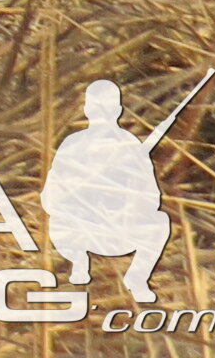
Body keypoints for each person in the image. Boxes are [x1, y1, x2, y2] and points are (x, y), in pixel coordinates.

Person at [40, 82, 171, 303]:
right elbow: (50, 196)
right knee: (58, 223)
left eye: (107, 107)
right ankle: (79, 265)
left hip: (120, 229)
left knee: (160, 222)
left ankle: (137, 278)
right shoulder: (73, 145)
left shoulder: (130, 145)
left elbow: (152, 196)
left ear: (118, 110)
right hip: (80, 229)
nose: (102, 113)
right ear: (87, 109)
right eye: (97, 107)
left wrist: (127, 205)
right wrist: (79, 198)